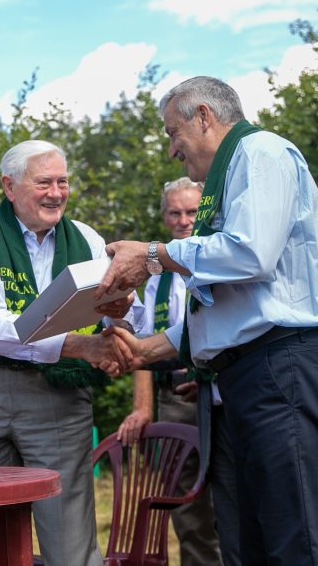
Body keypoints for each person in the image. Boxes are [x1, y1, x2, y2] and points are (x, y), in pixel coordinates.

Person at [97, 76, 318, 565]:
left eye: (173, 133)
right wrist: (145, 349)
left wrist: (153, 255)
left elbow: (250, 254)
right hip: (254, 377)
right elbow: (232, 307)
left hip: (288, 368)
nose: (173, 151)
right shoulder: (227, 180)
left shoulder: (260, 153)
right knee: (251, 540)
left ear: (204, 116)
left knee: (301, 539)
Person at [0, 139, 138, 566]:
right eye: (44, 182)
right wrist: (82, 346)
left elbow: (125, 314)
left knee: (68, 525)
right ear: (9, 186)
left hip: (59, 394)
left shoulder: (88, 238)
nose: (57, 192)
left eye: (63, 181)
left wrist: (119, 325)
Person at [115, 177, 224, 566]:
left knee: (226, 496)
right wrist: (143, 408)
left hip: (219, 391)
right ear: (164, 217)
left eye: (192, 211)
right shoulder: (153, 274)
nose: (183, 220)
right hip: (173, 395)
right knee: (185, 501)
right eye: (175, 213)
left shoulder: (219, 259)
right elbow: (143, 346)